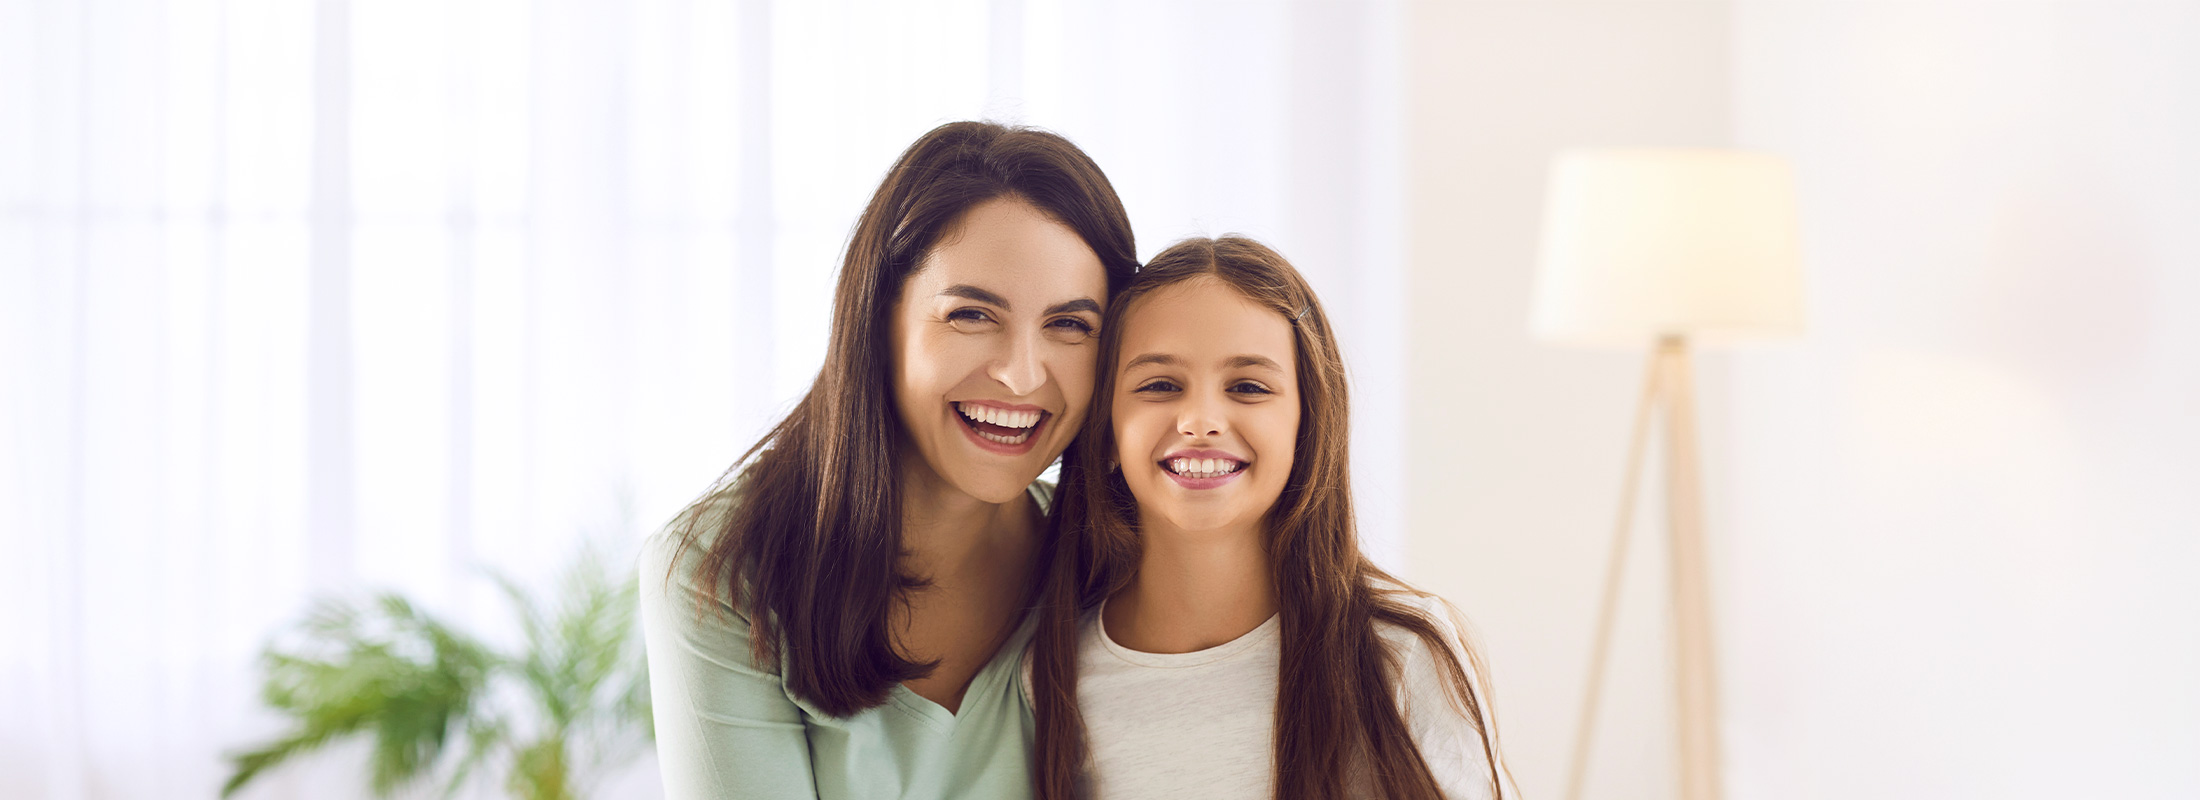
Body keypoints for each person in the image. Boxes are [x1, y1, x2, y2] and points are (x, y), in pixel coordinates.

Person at [639, 121, 1138, 800]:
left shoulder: (1115, 563)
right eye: (970, 315)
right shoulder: (723, 569)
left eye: (1070, 325)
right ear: (880, 320)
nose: (1023, 376)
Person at [1028, 236, 1512, 800]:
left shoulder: (1401, 655)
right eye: (1160, 385)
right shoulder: (1049, 672)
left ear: (1306, 424)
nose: (1201, 420)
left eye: (1248, 387)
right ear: (1106, 429)